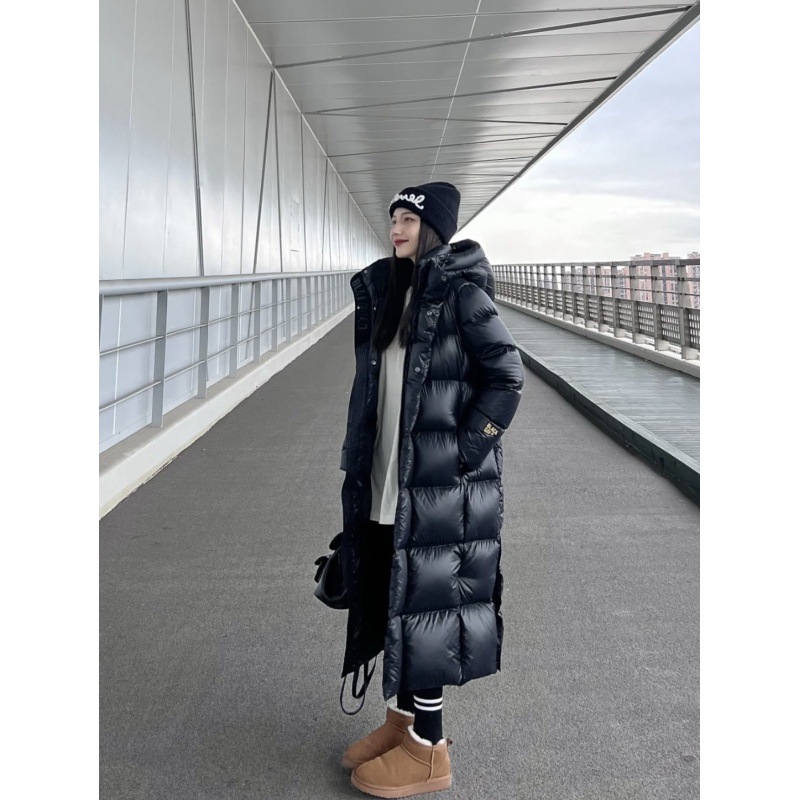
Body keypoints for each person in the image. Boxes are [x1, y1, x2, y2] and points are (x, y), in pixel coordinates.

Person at [337, 181, 524, 798]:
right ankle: (402, 723)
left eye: (408, 220)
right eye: (393, 218)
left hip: (438, 484)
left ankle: (429, 749)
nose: (396, 228)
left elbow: (507, 377)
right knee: (396, 592)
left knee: (429, 605)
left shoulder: (461, 293)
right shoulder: (392, 292)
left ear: (434, 229)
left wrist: (462, 454)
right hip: (388, 476)